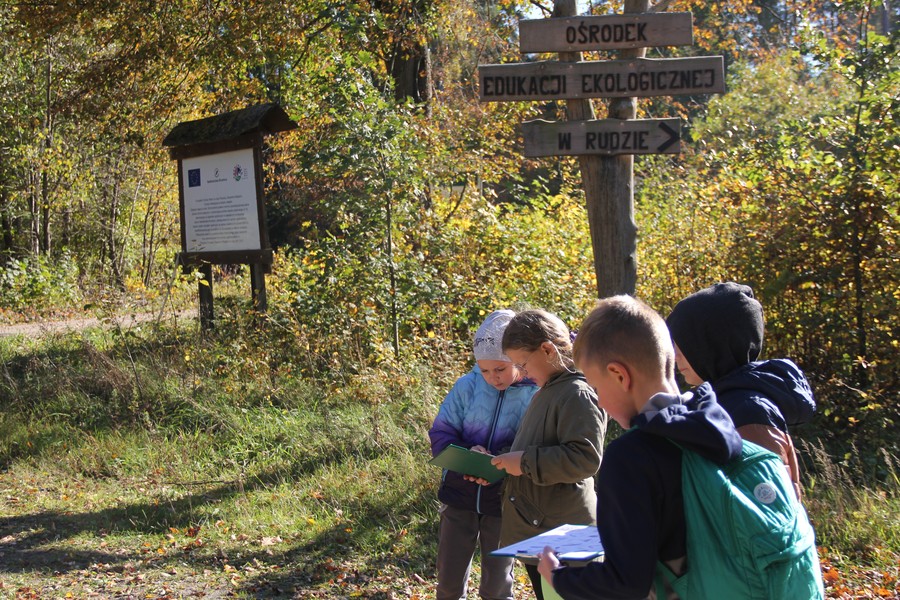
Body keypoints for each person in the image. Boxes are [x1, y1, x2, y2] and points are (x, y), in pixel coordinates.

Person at [537, 295, 744, 599]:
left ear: (619, 375)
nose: (600, 403)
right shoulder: (720, 428)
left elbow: (626, 581)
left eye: (595, 388)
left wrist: (559, 577)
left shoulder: (631, 458)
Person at [489, 309, 607, 600]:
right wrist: (499, 461)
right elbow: (539, 444)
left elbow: (584, 458)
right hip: (541, 529)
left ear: (547, 349)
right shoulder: (548, 390)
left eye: (523, 363)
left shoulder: (577, 393)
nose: (522, 372)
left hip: (565, 534)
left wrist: (524, 463)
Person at [665, 282, 816, 499]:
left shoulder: (748, 412)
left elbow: (769, 508)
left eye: (683, 345)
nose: (676, 356)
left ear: (711, 346)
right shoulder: (721, 402)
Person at [429, 309, 539, 600]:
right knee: (449, 583)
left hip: (504, 501)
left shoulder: (535, 395)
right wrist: (468, 454)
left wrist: (498, 461)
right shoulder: (467, 386)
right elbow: (441, 434)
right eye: (485, 370)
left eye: (500, 369)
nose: (492, 378)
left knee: (497, 585)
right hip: (458, 497)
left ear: (517, 359)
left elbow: (533, 445)